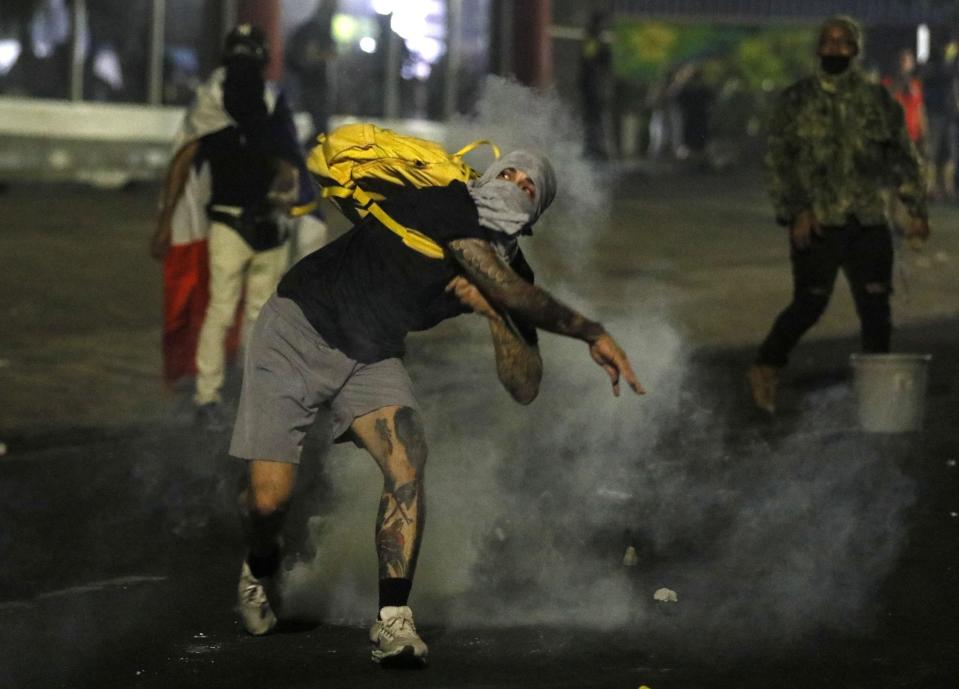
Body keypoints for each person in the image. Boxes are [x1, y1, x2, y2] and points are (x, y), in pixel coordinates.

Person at [229, 150, 643, 666]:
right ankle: (260, 565)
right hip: (295, 329)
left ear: (536, 213)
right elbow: (500, 280)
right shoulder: (448, 203)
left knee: (408, 462)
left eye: (529, 186)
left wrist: (494, 314)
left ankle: (392, 622)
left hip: (370, 354)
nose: (513, 183)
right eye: (507, 173)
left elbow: (525, 385)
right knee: (269, 503)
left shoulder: (513, 269)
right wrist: (590, 331)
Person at [747, 15, 930, 414]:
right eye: (828, 41)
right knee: (809, 304)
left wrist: (915, 207)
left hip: (868, 221)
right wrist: (796, 209)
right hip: (817, 222)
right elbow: (779, 162)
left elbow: (903, 157)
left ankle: (879, 401)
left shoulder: (877, 101)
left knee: (876, 311)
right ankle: (766, 366)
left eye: (843, 41)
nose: (835, 47)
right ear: (818, 49)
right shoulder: (796, 101)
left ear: (856, 49)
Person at [150, 24, 314, 430]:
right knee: (242, 315)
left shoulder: (216, 102)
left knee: (231, 313)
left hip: (248, 224)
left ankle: (219, 397)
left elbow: (184, 160)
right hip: (246, 224)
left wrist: (165, 220)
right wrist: (167, 220)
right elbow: (286, 159)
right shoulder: (262, 102)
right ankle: (223, 396)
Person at [285, 1, 336, 141]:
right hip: (312, 78)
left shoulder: (310, 29)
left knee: (318, 112)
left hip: (311, 78)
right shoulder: (315, 30)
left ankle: (319, 135)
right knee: (317, 110)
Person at [921, 39, 959, 200]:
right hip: (936, 112)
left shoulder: (952, 65)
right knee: (932, 152)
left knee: (949, 153)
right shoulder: (935, 64)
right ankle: (931, 188)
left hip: (950, 114)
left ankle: (948, 188)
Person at [578, 10, 612, 159]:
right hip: (592, 85)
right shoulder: (592, 39)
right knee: (594, 117)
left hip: (592, 84)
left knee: (594, 117)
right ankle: (593, 147)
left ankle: (594, 146)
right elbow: (589, 60)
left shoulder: (593, 38)